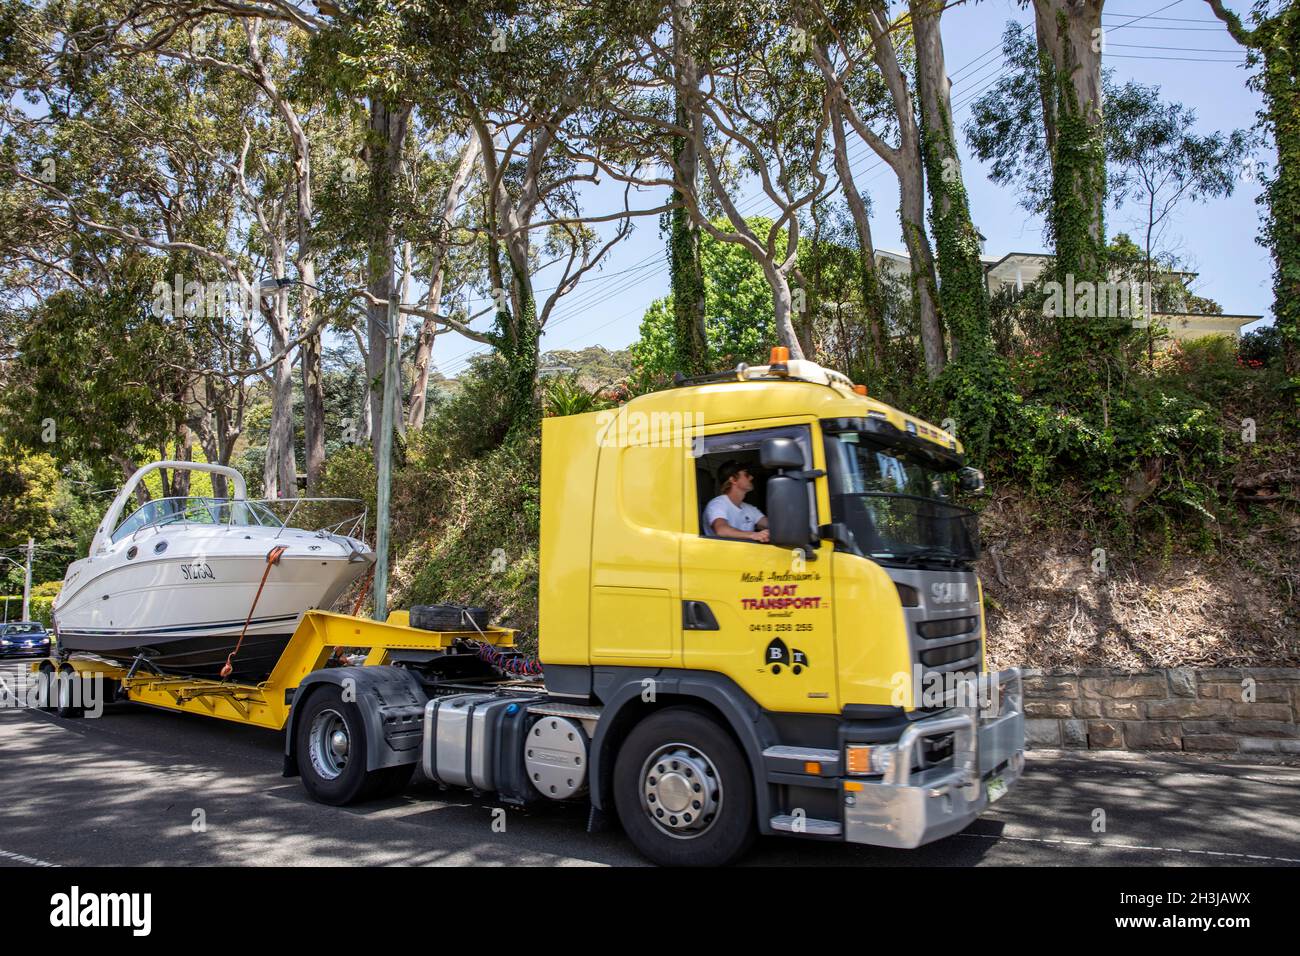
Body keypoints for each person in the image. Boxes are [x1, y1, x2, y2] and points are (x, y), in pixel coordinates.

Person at [703, 460, 770, 542]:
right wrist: (753, 535)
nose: (752, 477)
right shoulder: (717, 504)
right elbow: (721, 530)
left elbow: (770, 525)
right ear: (733, 480)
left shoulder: (749, 509)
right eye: (746, 474)